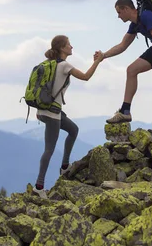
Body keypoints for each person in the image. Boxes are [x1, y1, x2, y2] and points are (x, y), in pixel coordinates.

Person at [96, 0, 152, 139]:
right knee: (131, 70)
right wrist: (104, 55)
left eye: (119, 12)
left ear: (126, 9)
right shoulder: (135, 24)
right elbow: (122, 46)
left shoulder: (146, 16)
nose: (118, 16)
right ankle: (125, 111)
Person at [33, 35, 104, 199]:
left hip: (44, 110)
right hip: (52, 114)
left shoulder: (48, 64)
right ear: (62, 48)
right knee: (49, 149)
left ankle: (64, 166)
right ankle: (39, 186)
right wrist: (97, 61)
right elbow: (86, 77)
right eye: (69, 45)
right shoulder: (64, 65)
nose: (72, 47)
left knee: (73, 129)